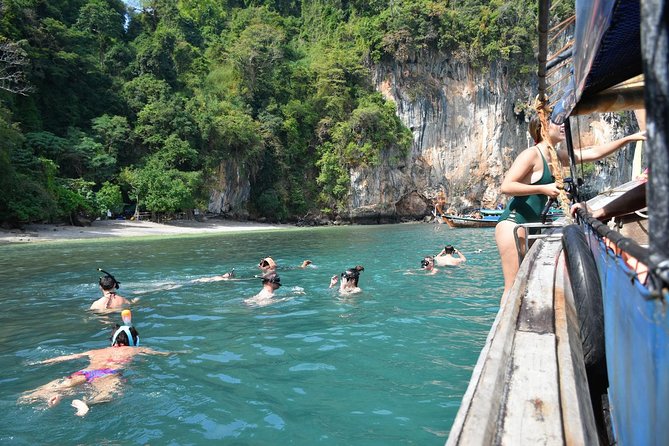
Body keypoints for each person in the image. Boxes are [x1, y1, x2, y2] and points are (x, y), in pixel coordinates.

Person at [495, 114, 646, 299]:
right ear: (543, 129)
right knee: (513, 286)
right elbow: (506, 186)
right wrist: (544, 188)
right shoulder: (532, 154)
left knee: (525, 281)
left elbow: (594, 153)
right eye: (556, 122)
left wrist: (629, 138)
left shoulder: (557, 156)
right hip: (513, 223)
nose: (563, 126)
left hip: (531, 225)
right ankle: (501, 327)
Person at [18, 311, 170, 416]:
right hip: (108, 375)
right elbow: (162, 354)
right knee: (108, 396)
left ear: (113, 340)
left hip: (85, 372)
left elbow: (67, 357)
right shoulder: (136, 350)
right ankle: (86, 403)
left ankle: (46, 395)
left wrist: (43, 361)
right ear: (134, 341)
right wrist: (177, 353)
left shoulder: (95, 351)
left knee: (56, 387)